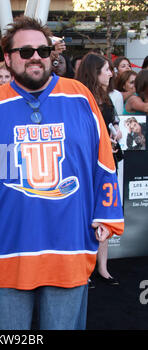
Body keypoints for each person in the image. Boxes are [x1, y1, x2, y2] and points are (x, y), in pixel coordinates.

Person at [0, 16, 124, 330]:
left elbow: (103, 162)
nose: (36, 56)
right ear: (8, 58)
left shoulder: (79, 96)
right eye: (25, 52)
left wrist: (106, 213)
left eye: (43, 49)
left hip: (69, 247)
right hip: (4, 251)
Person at [76, 53, 123, 286]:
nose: (111, 73)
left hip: (107, 163)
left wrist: (114, 134)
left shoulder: (107, 97)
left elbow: (112, 122)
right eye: (107, 69)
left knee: (104, 212)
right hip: (86, 166)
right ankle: (83, 269)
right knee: (85, 216)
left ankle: (102, 268)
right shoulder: (78, 97)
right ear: (95, 71)